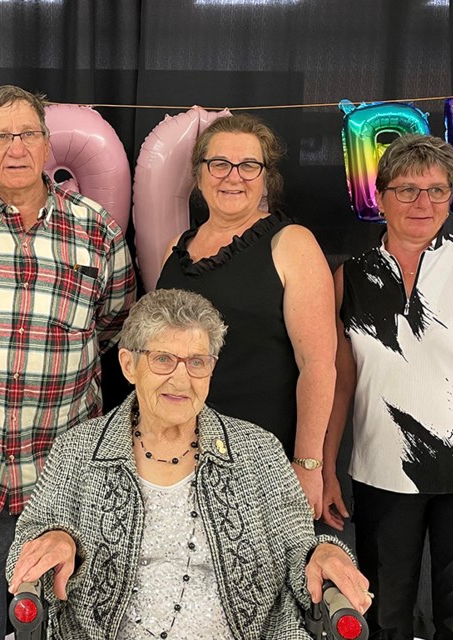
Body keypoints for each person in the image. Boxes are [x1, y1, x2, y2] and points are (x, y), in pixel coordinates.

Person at [8, 289, 371, 639]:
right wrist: (55, 538)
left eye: (197, 362)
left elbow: (297, 551)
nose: (181, 379)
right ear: (129, 365)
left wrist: (325, 551)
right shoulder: (79, 449)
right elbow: (23, 549)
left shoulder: (258, 452)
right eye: (163, 359)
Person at [0, 84, 137, 639]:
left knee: (66, 620)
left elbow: (115, 326)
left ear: (46, 144)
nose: (16, 147)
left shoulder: (98, 229)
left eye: (28, 133)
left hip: (67, 476)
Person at [321, 134, 453, 640]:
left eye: (437, 191)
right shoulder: (348, 277)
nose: (423, 203)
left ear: (451, 198)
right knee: (380, 618)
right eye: (407, 190)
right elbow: (338, 384)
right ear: (380, 197)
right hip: (381, 475)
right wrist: (327, 468)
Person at [157, 114, 336, 518]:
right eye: (219, 164)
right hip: (175, 459)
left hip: (259, 463)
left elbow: (318, 366)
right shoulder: (175, 248)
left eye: (249, 165)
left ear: (266, 177)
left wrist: (308, 464)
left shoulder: (292, 243)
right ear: (199, 175)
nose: (232, 177)